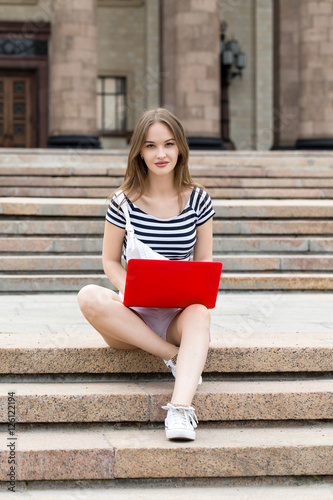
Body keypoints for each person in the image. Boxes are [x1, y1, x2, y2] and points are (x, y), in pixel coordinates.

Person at [77, 108, 215, 441]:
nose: (161, 154)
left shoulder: (199, 200)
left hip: (175, 318)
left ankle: (180, 411)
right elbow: (110, 261)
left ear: (180, 147)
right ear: (139, 150)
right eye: (151, 146)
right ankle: (174, 358)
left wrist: (196, 293)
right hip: (132, 316)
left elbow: (204, 263)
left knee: (199, 312)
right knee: (88, 295)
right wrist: (130, 289)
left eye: (168, 144)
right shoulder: (122, 201)